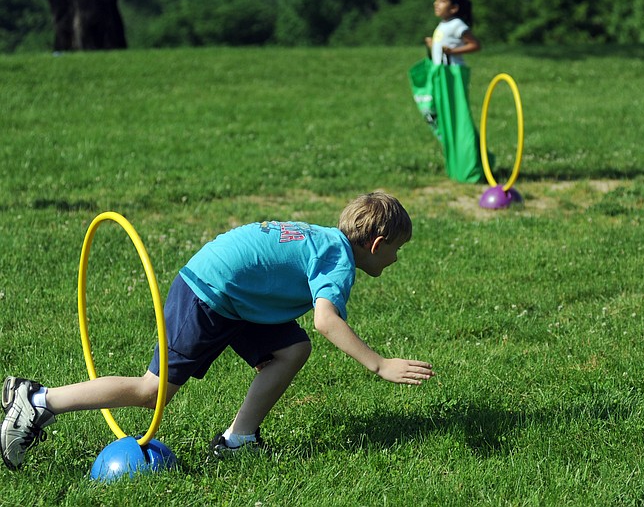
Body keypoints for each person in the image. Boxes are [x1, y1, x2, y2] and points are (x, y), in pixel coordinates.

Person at [1, 192, 435, 470]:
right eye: (397, 251)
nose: (396, 260)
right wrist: (379, 364)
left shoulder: (324, 238)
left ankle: (239, 440)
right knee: (151, 393)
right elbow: (326, 319)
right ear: (376, 245)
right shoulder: (339, 261)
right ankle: (38, 401)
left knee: (291, 349)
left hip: (235, 295)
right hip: (210, 296)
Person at [425, 0, 481, 66]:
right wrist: (434, 45)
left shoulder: (457, 24)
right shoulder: (443, 24)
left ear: (454, 8)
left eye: (442, 1)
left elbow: (475, 45)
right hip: (441, 71)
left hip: (453, 71)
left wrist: (452, 51)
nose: (435, 3)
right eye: (437, 0)